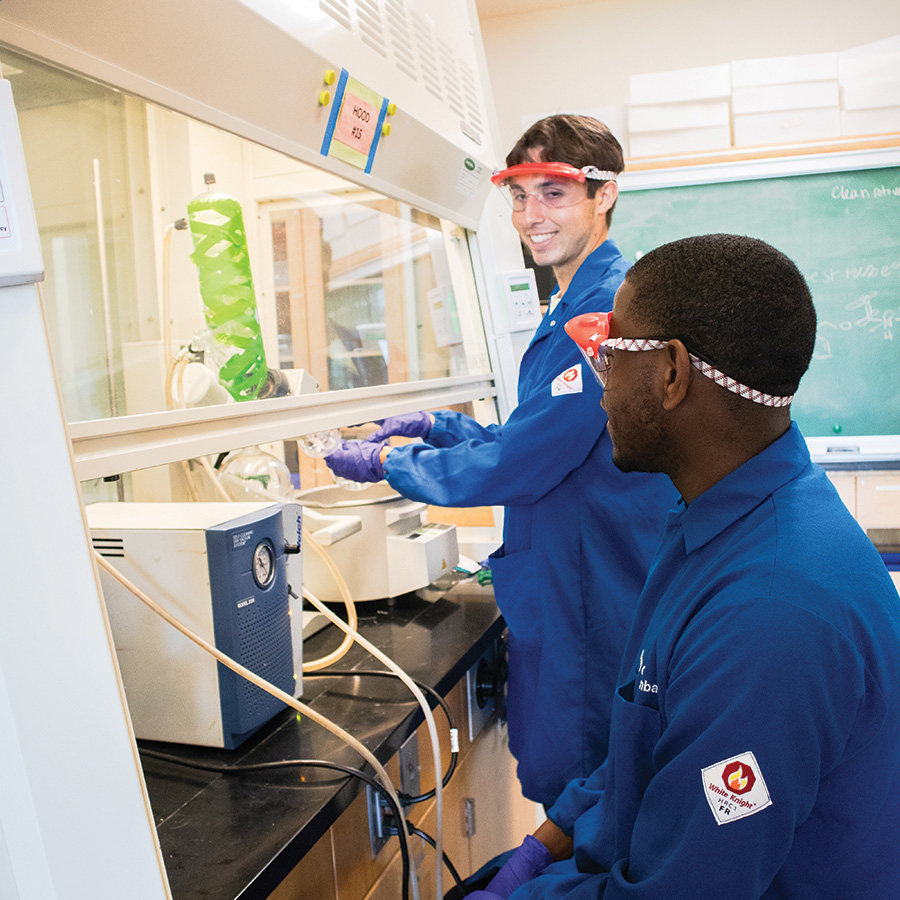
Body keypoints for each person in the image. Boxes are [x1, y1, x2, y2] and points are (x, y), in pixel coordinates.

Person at [465, 233, 900, 900]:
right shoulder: (719, 516)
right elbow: (643, 739)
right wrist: (544, 842)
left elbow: (680, 890)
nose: (599, 383)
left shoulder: (771, 616)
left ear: (671, 373)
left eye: (609, 353)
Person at [324, 115, 676, 812]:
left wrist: (396, 461)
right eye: (519, 196)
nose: (530, 215)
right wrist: (440, 425)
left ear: (603, 196)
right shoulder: (572, 300)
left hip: (589, 591)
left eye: (552, 194)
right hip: (575, 577)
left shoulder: (605, 313)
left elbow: (520, 463)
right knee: (586, 786)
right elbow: (542, 432)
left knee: (583, 791)